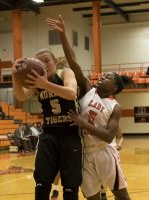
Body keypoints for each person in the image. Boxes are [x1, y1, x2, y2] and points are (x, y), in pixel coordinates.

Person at [47, 15, 134, 200]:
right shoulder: (88, 89)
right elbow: (72, 61)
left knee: (121, 195)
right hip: (85, 152)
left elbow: (109, 135)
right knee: (92, 197)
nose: (102, 77)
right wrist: (63, 35)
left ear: (115, 87)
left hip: (105, 152)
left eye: (108, 77)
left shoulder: (114, 106)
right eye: (103, 75)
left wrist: (81, 123)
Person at [11, 37, 82, 199]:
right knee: (42, 182)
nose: (45, 65)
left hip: (70, 134)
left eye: (47, 61)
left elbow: (71, 93)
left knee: (71, 185)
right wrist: (14, 75)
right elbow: (21, 96)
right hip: (49, 134)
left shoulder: (65, 72)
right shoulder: (37, 82)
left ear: (55, 62)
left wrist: (45, 85)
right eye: (40, 63)